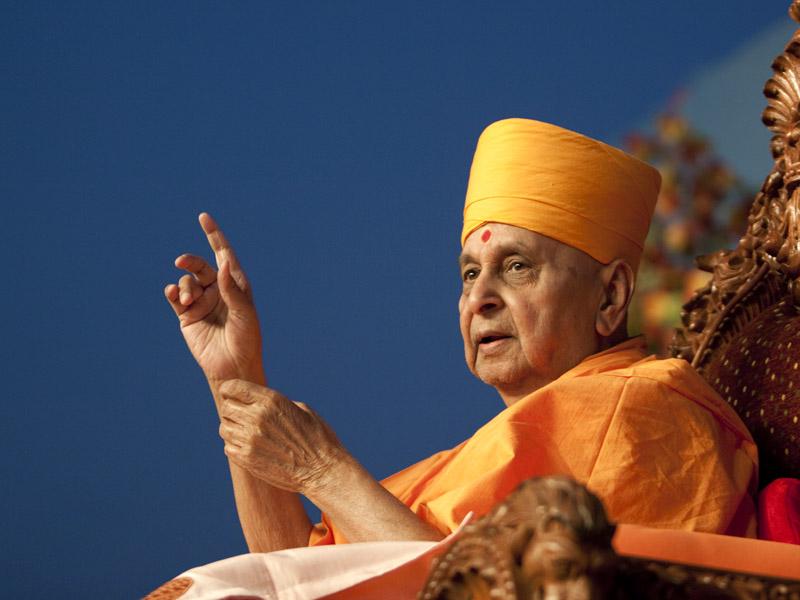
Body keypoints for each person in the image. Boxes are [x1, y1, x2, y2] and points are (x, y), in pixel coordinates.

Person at [163, 118, 757, 555]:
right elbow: (300, 573)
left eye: (517, 267)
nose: (480, 298)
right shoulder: (468, 460)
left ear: (610, 297)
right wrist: (234, 374)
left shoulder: (648, 411)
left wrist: (325, 472)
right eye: (470, 274)